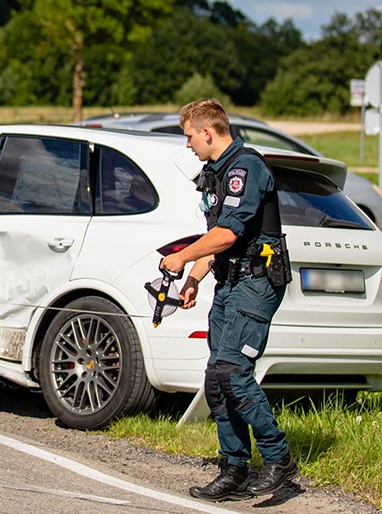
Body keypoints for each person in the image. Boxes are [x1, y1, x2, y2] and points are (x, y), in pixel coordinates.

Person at [161, 99, 298, 500]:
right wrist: (194, 277)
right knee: (217, 379)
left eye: (189, 137)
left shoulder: (246, 168)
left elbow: (230, 234)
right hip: (229, 283)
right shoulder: (214, 173)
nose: (188, 145)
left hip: (256, 284)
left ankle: (279, 459)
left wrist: (181, 256)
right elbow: (216, 235)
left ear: (208, 132)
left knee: (234, 372)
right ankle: (234, 470)